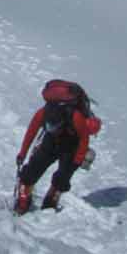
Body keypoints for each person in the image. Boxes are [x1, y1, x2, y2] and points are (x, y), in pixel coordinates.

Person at [15, 80, 102, 214]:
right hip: (50, 142)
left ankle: (52, 197)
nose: (51, 128)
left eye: (54, 127)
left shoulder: (75, 117)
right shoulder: (42, 113)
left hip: (71, 144)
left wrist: (77, 161)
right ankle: (24, 198)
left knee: (64, 175)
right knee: (32, 170)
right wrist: (22, 153)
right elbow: (31, 133)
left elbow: (84, 140)